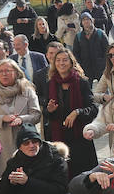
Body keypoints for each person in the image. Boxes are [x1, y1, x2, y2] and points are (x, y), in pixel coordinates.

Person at [42, 48, 99, 178]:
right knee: (63, 175)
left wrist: (78, 112)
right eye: (58, 60)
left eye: (65, 60)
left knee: (87, 177)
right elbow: (46, 113)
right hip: (59, 138)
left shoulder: (82, 82)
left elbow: (94, 108)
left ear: (71, 62)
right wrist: (49, 110)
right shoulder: (50, 84)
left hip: (79, 138)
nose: (61, 63)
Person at [0, 59, 41, 180]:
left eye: (8, 71)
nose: (4, 74)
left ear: (16, 72)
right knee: (5, 177)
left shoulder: (27, 90)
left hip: (24, 140)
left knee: (25, 176)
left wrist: (22, 119)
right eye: (1, 71)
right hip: (1, 141)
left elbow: (36, 114)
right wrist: (2, 118)